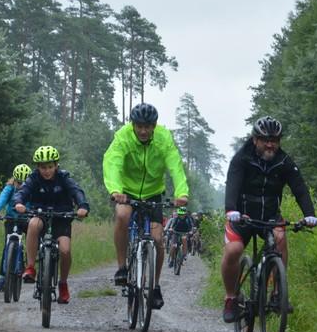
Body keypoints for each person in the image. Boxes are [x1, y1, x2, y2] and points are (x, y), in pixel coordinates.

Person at [220, 116, 317, 323]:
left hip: (270, 217)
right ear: (255, 139)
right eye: (266, 140)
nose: (270, 144)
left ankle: (277, 293)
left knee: (280, 239)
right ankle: (230, 298)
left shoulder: (284, 161)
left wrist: (309, 214)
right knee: (234, 250)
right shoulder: (242, 158)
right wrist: (231, 210)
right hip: (243, 216)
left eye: (275, 140)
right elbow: (233, 184)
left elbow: (300, 188)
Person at [103, 102, 189, 310]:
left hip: (153, 192)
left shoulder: (163, 138)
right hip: (126, 191)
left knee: (158, 239)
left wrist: (181, 193)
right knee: (122, 216)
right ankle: (122, 268)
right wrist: (115, 190)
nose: (143, 131)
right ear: (133, 124)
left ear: (154, 125)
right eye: (139, 126)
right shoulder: (123, 137)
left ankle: (155, 285)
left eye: (147, 126)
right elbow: (112, 162)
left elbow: (175, 166)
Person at [13, 146, 90, 304]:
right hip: (40, 213)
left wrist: (82, 206)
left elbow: (76, 191)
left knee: (65, 250)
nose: (47, 171)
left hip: (62, 217)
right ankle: (31, 267)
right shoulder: (33, 178)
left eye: (50, 167)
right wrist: (19, 202)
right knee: (33, 224)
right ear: (38, 167)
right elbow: (22, 192)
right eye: (43, 167)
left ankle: (63, 283)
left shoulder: (64, 178)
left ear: (56, 165)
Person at [0, 163, 33, 291]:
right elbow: (1, 199)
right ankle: (3, 278)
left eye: (24, 183)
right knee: (7, 246)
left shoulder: (32, 190)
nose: (21, 186)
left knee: (33, 241)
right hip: (11, 219)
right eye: (19, 183)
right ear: (14, 180)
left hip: (27, 220)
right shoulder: (9, 188)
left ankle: (30, 266)